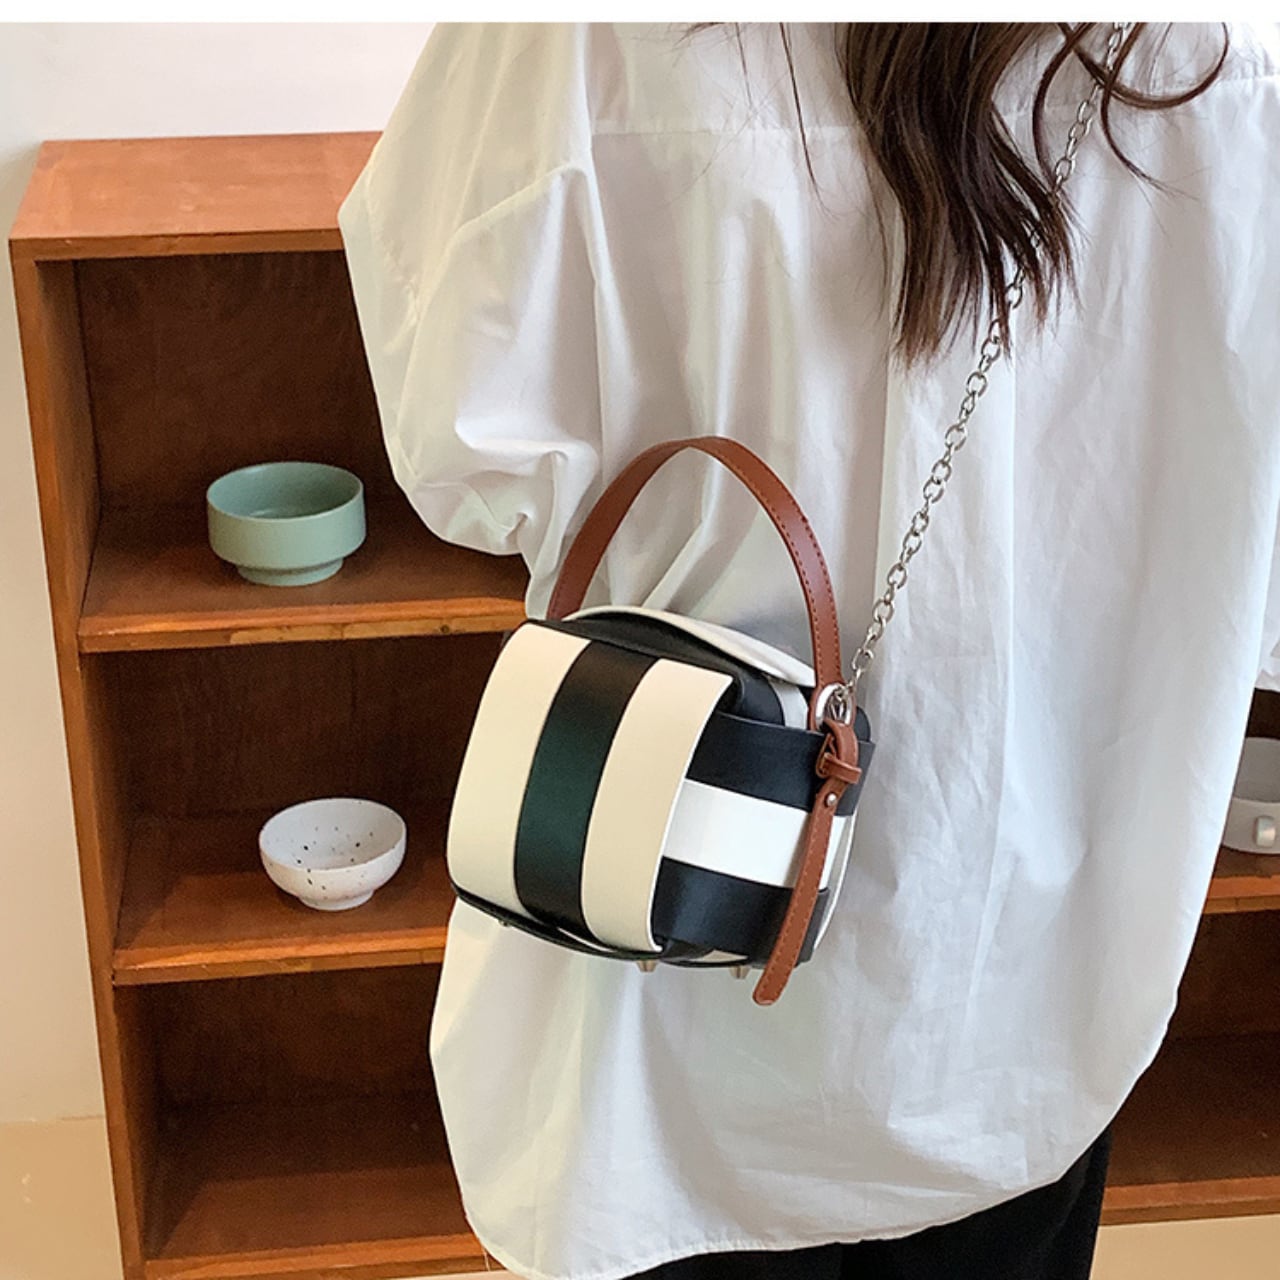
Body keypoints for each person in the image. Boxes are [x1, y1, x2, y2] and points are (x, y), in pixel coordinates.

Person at [338, 21, 1280, 1280]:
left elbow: (459, 451)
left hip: (657, 962)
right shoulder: (1219, 71)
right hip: (1020, 986)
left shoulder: (568, 40)